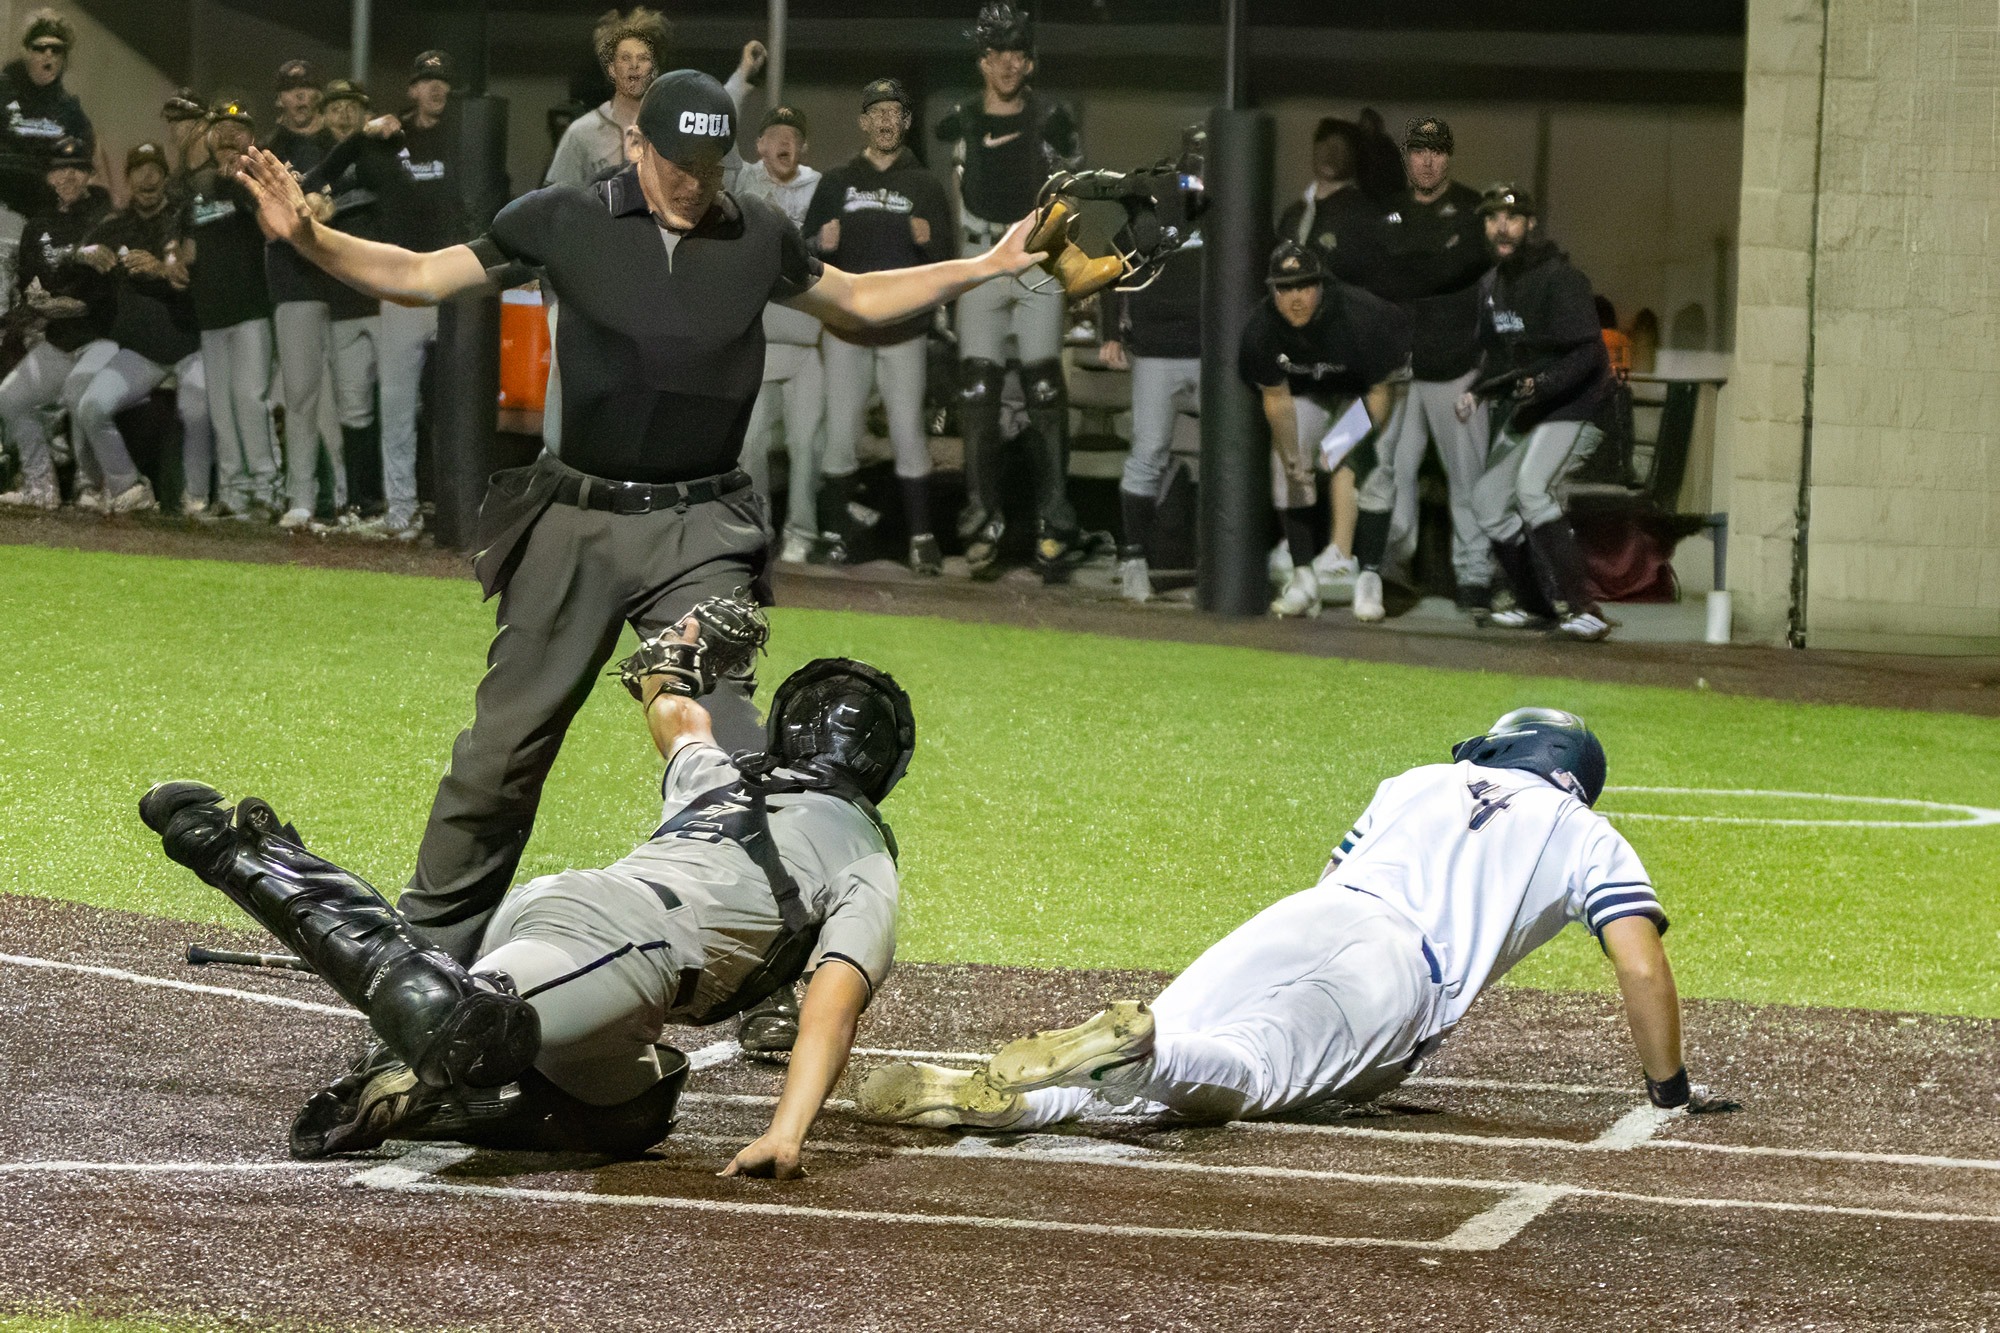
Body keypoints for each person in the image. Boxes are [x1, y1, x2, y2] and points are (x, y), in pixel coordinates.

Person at [232, 68, 1050, 973]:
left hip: (701, 531)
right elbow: (423, 276)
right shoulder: (564, 218)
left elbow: (854, 300)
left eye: (710, 161)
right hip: (573, 519)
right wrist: (311, 237)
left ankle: (768, 966)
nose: (693, 180)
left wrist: (989, 264)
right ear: (635, 144)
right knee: (499, 757)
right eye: (676, 160)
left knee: (734, 754)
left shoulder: (756, 233)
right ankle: (423, 956)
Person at [140, 611, 915, 1179]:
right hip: (621, 950)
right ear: (881, 770)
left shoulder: (723, 775)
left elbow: (676, 712)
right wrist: (787, 1131)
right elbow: (832, 1001)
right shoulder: (866, 854)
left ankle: (429, 1091)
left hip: (588, 927)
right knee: (470, 1026)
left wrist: (670, 655)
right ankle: (249, 855)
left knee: (635, 1108)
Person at [858, 708, 1739, 1133]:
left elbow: (1334, 872)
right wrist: (1669, 1088)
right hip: (1398, 971)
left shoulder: (1419, 779)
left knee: (1196, 1024)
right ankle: (1140, 1045)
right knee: (1239, 1071)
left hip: (1310, 912)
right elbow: (1639, 964)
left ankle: (1004, 1102)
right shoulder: (1587, 830)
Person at [935, 1, 1084, 582]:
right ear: (983, 61)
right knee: (978, 390)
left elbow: (1071, 194)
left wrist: (1074, 268)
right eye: (998, 53)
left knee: (1045, 387)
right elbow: (950, 196)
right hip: (980, 258)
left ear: (1031, 61)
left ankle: (1053, 523)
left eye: (1018, 54)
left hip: (1038, 256)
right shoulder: (960, 120)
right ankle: (983, 520)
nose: (1008, 64)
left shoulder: (1053, 119)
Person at [805, 78, 954, 576]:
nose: (887, 121)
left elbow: (947, 266)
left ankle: (922, 538)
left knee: (909, 434)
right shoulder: (837, 181)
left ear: (907, 123)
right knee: (841, 435)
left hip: (904, 333)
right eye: (878, 112)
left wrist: (929, 242)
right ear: (863, 121)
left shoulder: (926, 185)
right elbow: (805, 256)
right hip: (846, 331)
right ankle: (834, 535)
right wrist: (820, 244)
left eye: (896, 112)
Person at [1463, 184, 1617, 643]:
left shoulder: (1560, 278)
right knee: (1488, 503)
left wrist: (1544, 384)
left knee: (1532, 489)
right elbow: (1497, 358)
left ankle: (1582, 608)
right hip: (1535, 412)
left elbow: (1590, 354)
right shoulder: (1492, 285)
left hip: (1578, 405)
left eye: (1511, 218)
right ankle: (1537, 605)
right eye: (1492, 218)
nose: (1501, 226)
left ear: (1531, 225)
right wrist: (1477, 390)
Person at [1363, 116, 1496, 617]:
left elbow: (1484, 286)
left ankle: (1475, 576)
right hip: (1397, 370)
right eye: (1418, 150)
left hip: (1454, 365)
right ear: (1406, 155)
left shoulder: (1471, 209)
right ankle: (1391, 569)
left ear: (1449, 157)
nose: (1427, 159)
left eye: (1437, 151)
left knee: (1468, 478)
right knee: (1390, 471)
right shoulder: (1388, 213)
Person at [1238, 241, 1408, 621]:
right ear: (1272, 291)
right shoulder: (1261, 328)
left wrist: (1340, 445)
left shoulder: (1362, 316)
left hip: (1374, 386)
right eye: (1285, 288)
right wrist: (1293, 455)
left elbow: (1381, 393)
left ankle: (1370, 577)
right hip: (1312, 386)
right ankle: (1303, 578)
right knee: (1288, 464)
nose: (1295, 298)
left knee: (1374, 469)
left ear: (1321, 285)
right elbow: (1276, 399)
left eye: (1304, 286)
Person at [70, 141, 208, 516]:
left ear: (165, 177)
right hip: (141, 352)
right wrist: (85, 253)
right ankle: (128, 486)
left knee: (197, 410)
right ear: (128, 179)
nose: (148, 177)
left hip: (189, 343)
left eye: (155, 170)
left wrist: (161, 269)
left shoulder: (183, 218)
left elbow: (194, 274)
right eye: (139, 170)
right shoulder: (115, 225)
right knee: (91, 407)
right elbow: (76, 253)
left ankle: (197, 498)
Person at [261, 60, 368, 530]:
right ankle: (301, 497)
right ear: (280, 99)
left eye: (308, 90)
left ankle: (350, 499)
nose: (302, 98)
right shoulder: (270, 150)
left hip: (345, 287)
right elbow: (267, 225)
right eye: (293, 91)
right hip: (295, 285)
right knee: (302, 396)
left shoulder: (338, 148)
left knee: (346, 404)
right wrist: (308, 214)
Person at [1098, 166, 1201, 603]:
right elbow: (1108, 271)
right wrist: (1109, 332)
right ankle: (1134, 556)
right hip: (1156, 352)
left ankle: (1218, 559)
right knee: (1148, 453)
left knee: (1228, 457)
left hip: (1208, 352)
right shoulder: (1139, 228)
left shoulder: (1215, 218)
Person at [178, 97, 280, 523]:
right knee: (221, 408)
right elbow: (186, 245)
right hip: (212, 312)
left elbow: (273, 231)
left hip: (252, 308)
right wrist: (178, 259)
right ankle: (235, 494)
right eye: (221, 128)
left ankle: (266, 492)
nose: (229, 135)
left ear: (251, 138)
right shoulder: (197, 187)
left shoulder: (260, 180)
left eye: (239, 129)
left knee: (249, 401)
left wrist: (241, 186)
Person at [734, 104, 826, 566]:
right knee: (749, 444)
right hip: (759, 339)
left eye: (793, 135)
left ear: (803, 146)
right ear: (760, 145)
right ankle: (756, 530)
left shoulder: (821, 187)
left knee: (807, 445)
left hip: (807, 341)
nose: (784, 142)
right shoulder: (743, 181)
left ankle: (802, 533)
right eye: (774, 134)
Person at [0, 133, 110, 510]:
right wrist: (38, 302)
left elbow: (109, 291)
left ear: (89, 175)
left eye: (77, 169)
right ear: (48, 177)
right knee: (10, 399)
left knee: (83, 395)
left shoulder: (104, 219)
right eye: (60, 170)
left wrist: (73, 302)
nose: (68, 177)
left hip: (101, 338)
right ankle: (41, 486)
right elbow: (31, 283)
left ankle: (93, 487)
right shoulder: (38, 226)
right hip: (60, 337)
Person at [295, 77, 384, 524]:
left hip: (391, 299)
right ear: (324, 115)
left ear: (366, 114)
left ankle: (405, 501)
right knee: (353, 407)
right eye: (335, 107)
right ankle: (365, 503)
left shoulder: (383, 153)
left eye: (352, 106)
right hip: (343, 299)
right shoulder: (315, 164)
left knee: (403, 404)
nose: (344, 114)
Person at [0, 9, 106, 297]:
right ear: (27, 51)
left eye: (56, 50)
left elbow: (84, 165)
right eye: (40, 48)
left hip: (43, 220)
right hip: (4, 210)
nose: (48, 56)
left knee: (36, 301)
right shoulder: (3, 92)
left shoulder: (71, 110)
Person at [1275, 117, 1377, 288]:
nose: (1330, 155)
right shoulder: (1294, 213)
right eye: (1324, 145)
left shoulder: (1361, 213)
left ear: (1353, 155)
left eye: (1340, 148)